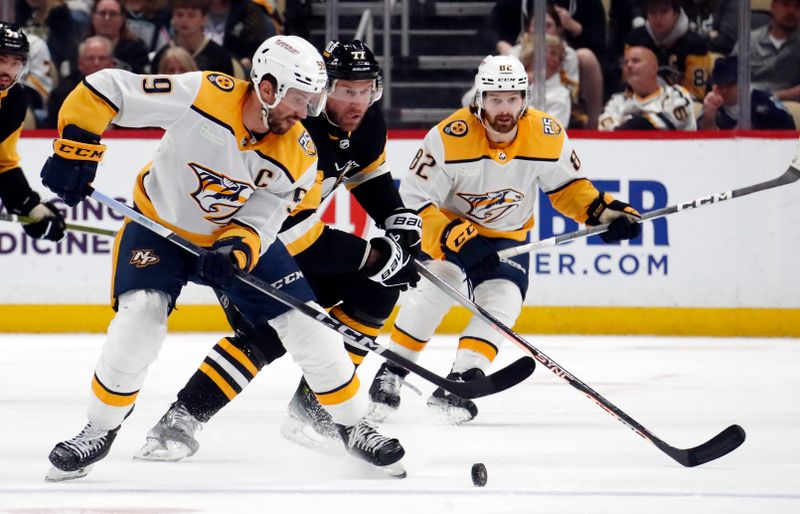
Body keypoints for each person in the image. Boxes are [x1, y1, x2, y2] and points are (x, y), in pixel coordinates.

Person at [41, 35, 407, 482]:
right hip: (160, 230)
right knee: (140, 319)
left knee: (307, 325)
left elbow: (264, 215)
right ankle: (98, 431)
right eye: (299, 100)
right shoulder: (203, 93)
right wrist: (77, 148)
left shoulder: (299, 151)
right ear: (268, 88)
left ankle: (353, 426)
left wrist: (236, 247)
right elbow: (107, 88)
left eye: (313, 102)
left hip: (229, 244)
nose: (306, 114)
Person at [133, 39, 422, 459]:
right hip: (245, 244)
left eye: (365, 90)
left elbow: (367, 174)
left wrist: (396, 218)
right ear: (321, 89)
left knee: (381, 287)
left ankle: (316, 404)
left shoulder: (368, 125)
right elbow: (286, 231)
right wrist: (372, 256)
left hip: (290, 244)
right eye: (346, 90)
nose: (357, 102)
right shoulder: (294, 128)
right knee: (265, 332)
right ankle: (180, 419)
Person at [368, 54, 641, 424]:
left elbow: (569, 189)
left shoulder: (546, 134)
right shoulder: (448, 138)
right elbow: (414, 204)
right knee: (438, 287)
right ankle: (392, 372)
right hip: (448, 232)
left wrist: (605, 212)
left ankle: (462, 377)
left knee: (504, 298)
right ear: (479, 98)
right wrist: (455, 236)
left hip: (506, 236)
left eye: (512, 98)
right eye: (496, 99)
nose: (504, 109)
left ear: (524, 98)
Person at [0, 22, 65, 242]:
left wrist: (29, 205)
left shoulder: (14, 100)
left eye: (15, 63)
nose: (7, 71)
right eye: (1, 60)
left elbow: (3, 165)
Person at [626, 0, 712, 100]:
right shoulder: (636, 38)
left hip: (681, 106)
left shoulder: (695, 45)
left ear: (676, 13)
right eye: (653, 13)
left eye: (664, 12)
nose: (658, 18)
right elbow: (628, 84)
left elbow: (696, 94)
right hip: (640, 103)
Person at [599, 45, 697, 130]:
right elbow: (606, 131)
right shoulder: (617, 101)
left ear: (654, 68)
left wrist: (633, 122)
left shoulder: (676, 94)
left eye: (635, 61)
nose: (629, 65)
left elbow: (667, 125)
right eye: (625, 63)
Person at [699, 55, 796, 130]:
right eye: (720, 85)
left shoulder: (766, 101)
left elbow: (790, 131)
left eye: (729, 85)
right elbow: (702, 141)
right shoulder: (711, 105)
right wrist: (709, 114)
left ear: (743, 82)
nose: (724, 90)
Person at [150, 0, 242, 78]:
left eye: (191, 15)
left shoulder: (220, 58)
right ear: (172, 18)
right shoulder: (161, 56)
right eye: (179, 14)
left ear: (204, 19)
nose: (184, 20)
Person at [733, 0, 800, 102]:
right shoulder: (749, 40)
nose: (791, 11)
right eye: (786, 4)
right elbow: (729, 75)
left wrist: (773, 96)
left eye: (797, 7)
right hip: (746, 104)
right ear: (773, 7)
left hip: (787, 107)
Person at [45, 36, 116, 129]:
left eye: (102, 58)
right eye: (90, 58)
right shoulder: (63, 95)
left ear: (112, 63)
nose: (96, 63)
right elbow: (52, 133)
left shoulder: (125, 91)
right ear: (80, 63)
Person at [88, 0, 150, 73]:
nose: (107, 18)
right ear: (93, 17)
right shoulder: (81, 46)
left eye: (113, 14)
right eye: (102, 13)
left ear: (122, 18)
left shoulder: (137, 49)